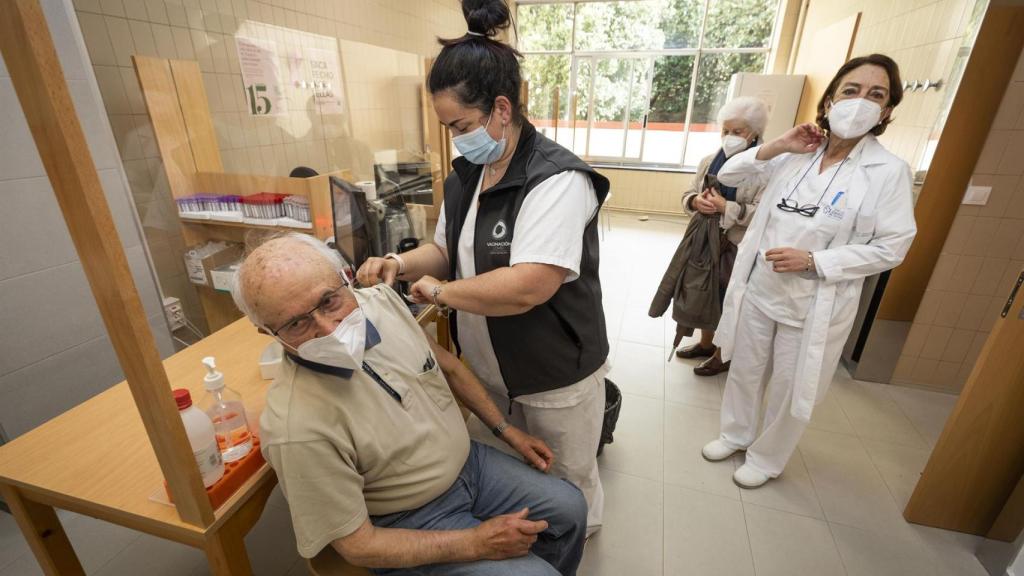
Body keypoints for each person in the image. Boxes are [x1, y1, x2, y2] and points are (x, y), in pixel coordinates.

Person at [357, 0, 610, 535]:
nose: (455, 138)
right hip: (492, 366)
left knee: (567, 481)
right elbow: (445, 249)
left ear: (501, 108)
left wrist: (439, 293)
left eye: (461, 124)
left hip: (552, 369)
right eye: (447, 127)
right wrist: (400, 263)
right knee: (519, 473)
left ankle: (572, 544)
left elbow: (528, 287)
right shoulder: (468, 172)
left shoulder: (557, 180)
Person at [231, 233, 588, 575]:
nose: (328, 329)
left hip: (471, 465)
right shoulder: (296, 427)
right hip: (408, 517)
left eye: (328, 301)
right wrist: (476, 544)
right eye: (296, 323)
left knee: (570, 508)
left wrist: (507, 431)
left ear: (346, 278)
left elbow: (445, 366)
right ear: (267, 332)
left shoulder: (382, 304)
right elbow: (357, 546)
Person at [700, 54, 917, 489]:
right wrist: (780, 143)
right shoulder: (799, 151)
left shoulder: (888, 171)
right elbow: (732, 170)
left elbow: (894, 245)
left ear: (888, 110)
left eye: (876, 95)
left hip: (813, 302)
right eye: (851, 90)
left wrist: (816, 261)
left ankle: (766, 457)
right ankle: (736, 433)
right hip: (761, 287)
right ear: (832, 97)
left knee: (788, 383)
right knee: (745, 365)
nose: (860, 102)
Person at [673, 96, 770, 376]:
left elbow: (765, 214)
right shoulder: (709, 162)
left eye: (737, 131)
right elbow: (687, 193)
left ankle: (721, 354)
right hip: (705, 240)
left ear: (754, 133)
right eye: (725, 131)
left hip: (738, 246)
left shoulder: (766, 168)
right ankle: (705, 343)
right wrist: (695, 202)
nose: (729, 137)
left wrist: (725, 207)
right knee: (703, 292)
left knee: (728, 298)